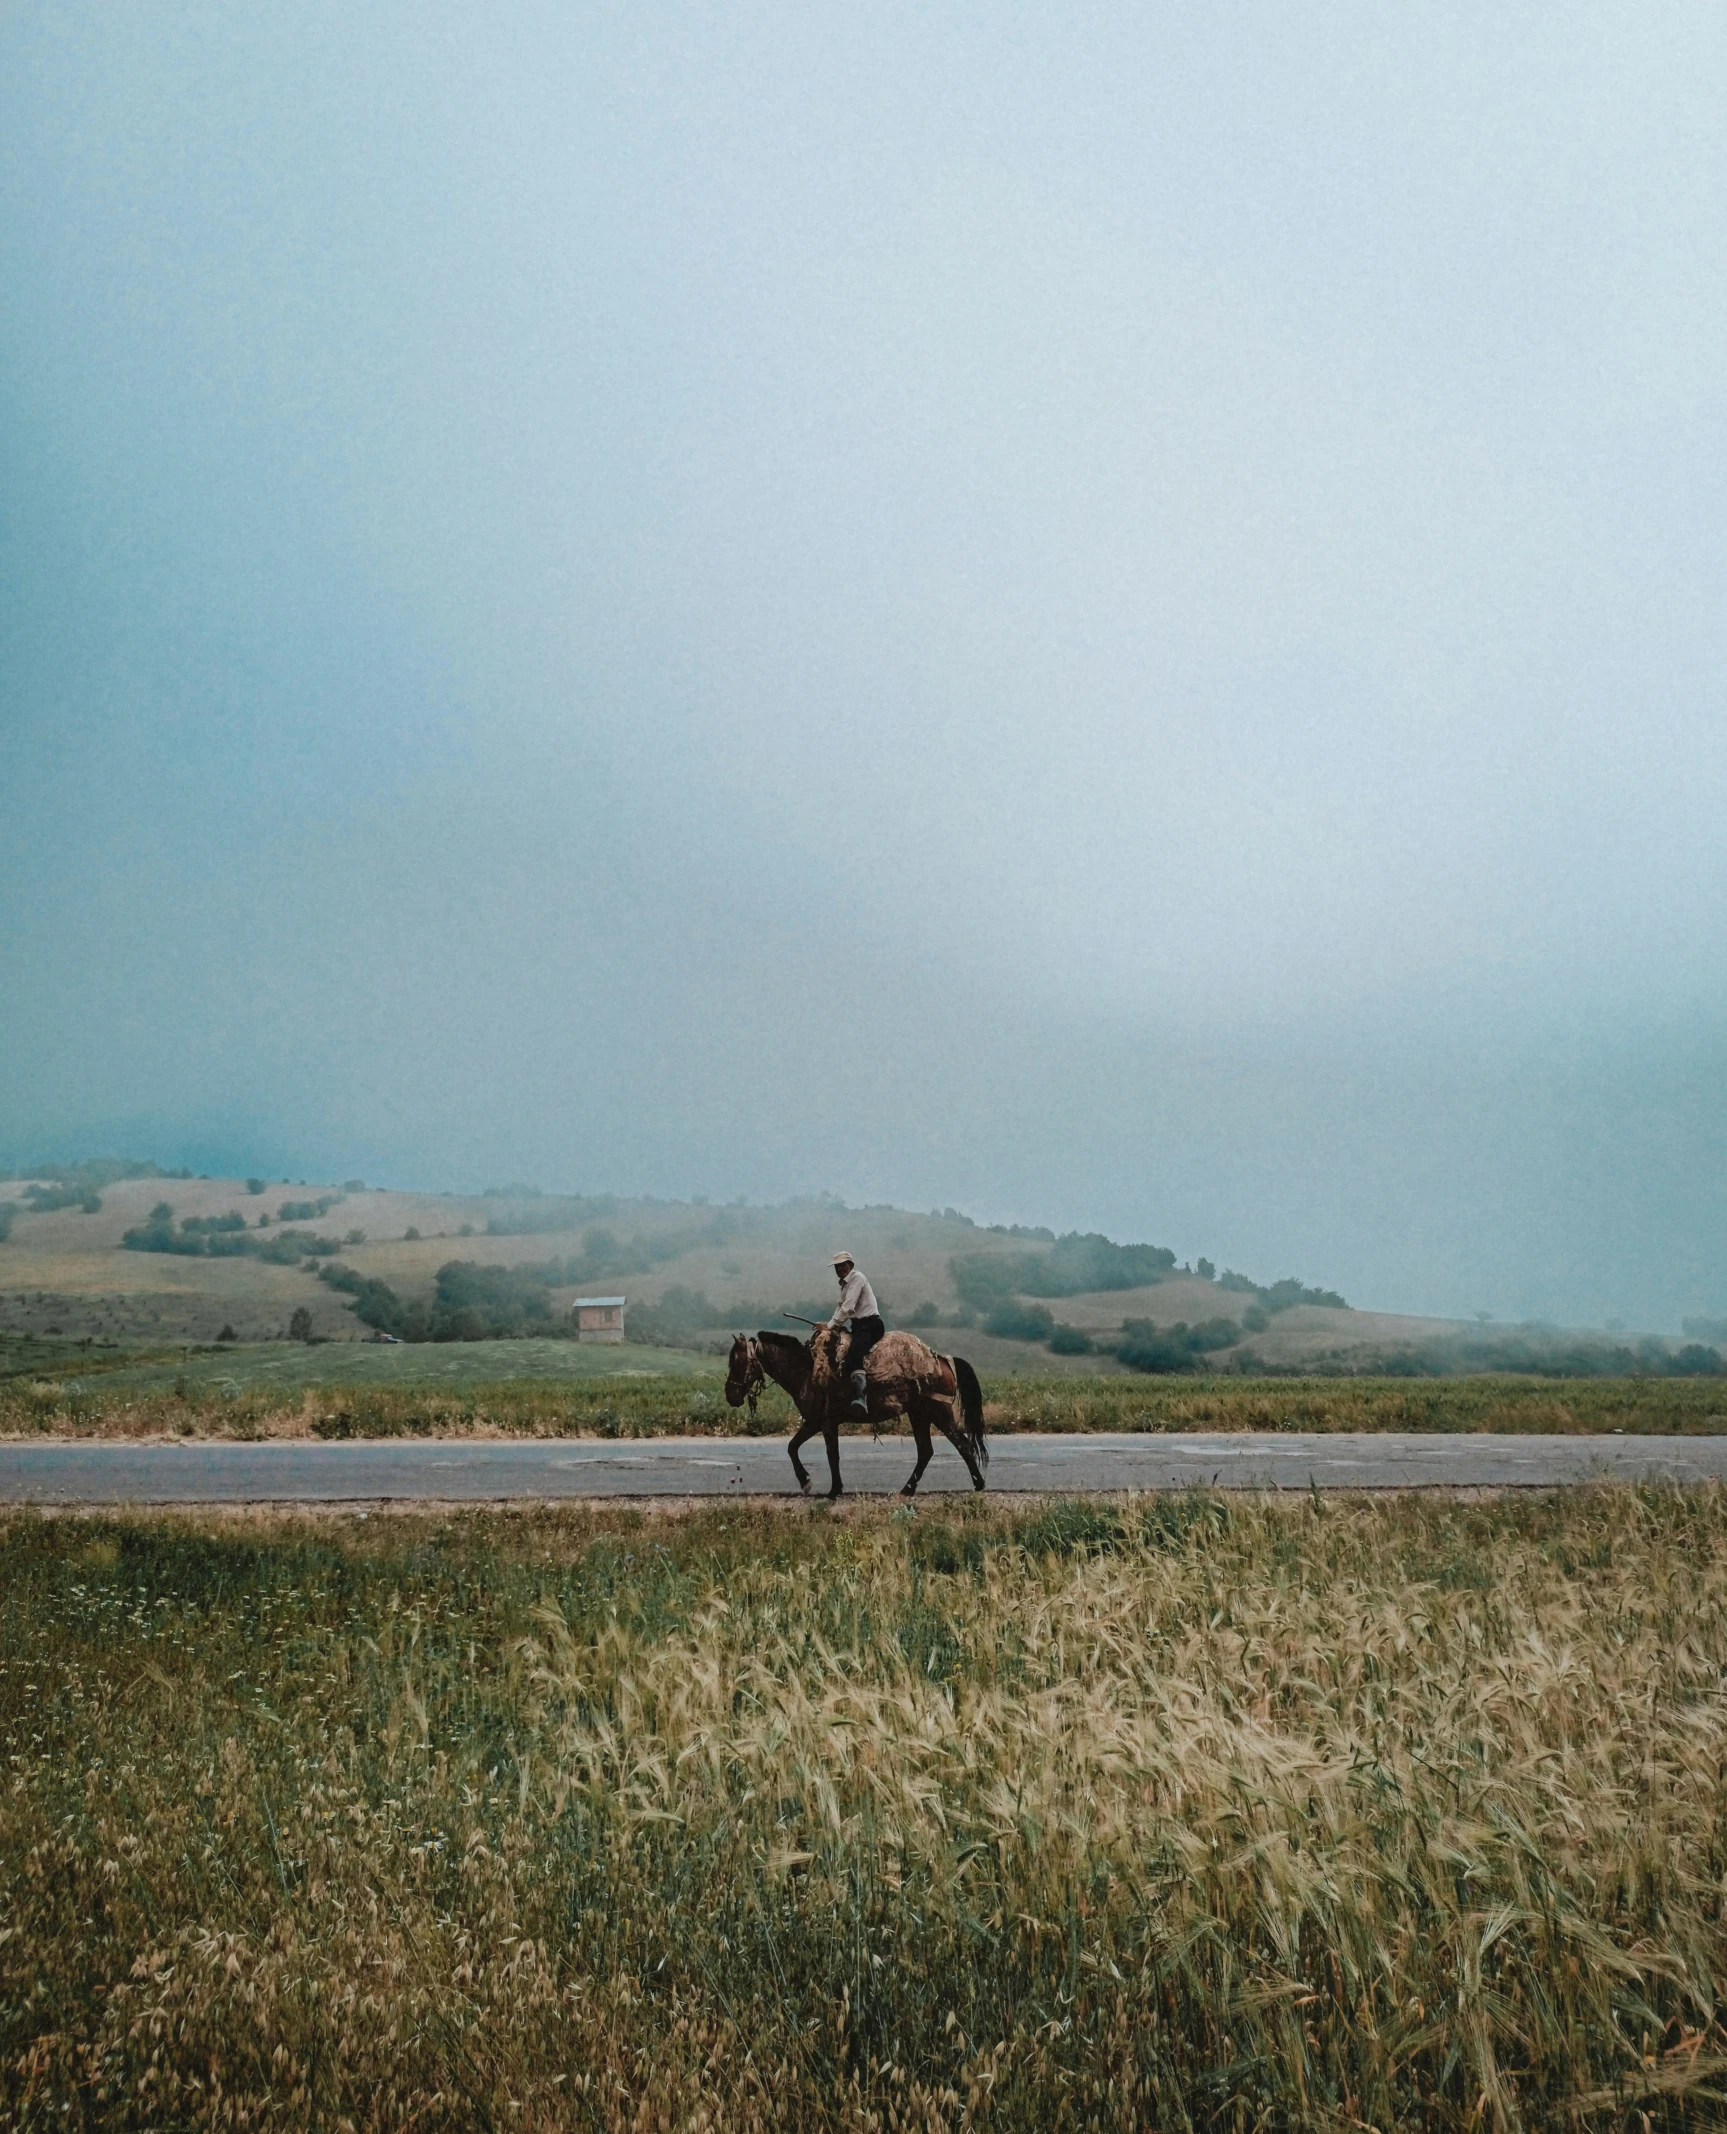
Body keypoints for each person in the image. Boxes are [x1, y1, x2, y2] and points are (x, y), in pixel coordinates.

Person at [829, 1252, 884, 1417]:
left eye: (843, 1265)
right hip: (859, 1327)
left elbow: (848, 1307)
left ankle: (861, 1397)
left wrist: (830, 1325)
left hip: (870, 1325)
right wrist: (829, 1327)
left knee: (854, 1355)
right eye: (837, 1266)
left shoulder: (857, 1278)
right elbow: (840, 1307)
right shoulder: (844, 1284)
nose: (840, 1268)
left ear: (850, 1265)